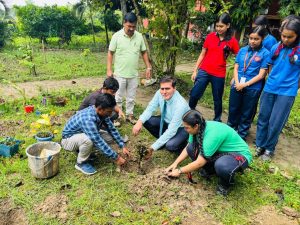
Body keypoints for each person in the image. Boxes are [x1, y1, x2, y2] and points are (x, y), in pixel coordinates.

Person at [166, 110, 252, 196]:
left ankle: (225, 184)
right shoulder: (197, 128)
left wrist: (179, 171)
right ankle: (210, 170)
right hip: (220, 152)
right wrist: (175, 163)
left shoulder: (213, 134)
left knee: (222, 165)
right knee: (192, 148)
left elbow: (200, 162)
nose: (185, 129)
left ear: (196, 126)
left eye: (187, 127)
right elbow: (188, 147)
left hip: (239, 155)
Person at [255, 17, 300, 161]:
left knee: (276, 122)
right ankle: (260, 145)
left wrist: (294, 85)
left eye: (290, 37)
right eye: (283, 36)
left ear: (297, 35)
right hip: (270, 88)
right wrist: (272, 79)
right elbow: (269, 65)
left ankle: (269, 148)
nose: (285, 39)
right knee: (263, 117)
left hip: (287, 92)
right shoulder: (276, 47)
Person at [61, 93, 130, 175]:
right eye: (109, 111)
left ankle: (84, 151)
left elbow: (112, 129)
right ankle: (81, 163)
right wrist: (117, 158)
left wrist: (122, 145)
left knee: (109, 138)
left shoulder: (102, 113)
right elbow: (98, 141)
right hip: (68, 140)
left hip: (81, 134)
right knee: (88, 140)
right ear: (100, 109)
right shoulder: (88, 119)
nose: (110, 114)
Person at [189, 13, 240, 122]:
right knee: (195, 93)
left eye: (221, 26)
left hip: (219, 74)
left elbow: (238, 58)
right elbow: (202, 54)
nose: (218, 28)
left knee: (217, 99)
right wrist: (195, 70)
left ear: (228, 25)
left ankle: (217, 119)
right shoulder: (210, 37)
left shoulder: (232, 41)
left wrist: (235, 75)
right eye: (217, 26)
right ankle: (190, 112)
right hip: (204, 71)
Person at [107, 12, 152, 125]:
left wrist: (148, 67)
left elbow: (144, 52)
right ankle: (117, 116)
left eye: (133, 26)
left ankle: (130, 115)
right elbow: (110, 53)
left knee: (131, 97)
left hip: (133, 74)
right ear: (124, 23)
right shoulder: (116, 36)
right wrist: (109, 69)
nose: (131, 29)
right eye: (129, 26)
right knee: (118, 96)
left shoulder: (139, 36)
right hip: (120, 73)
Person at [227, 26, 270, 140]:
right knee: (233, 109)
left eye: (256, 39)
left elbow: (261, 75)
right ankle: (230, 131)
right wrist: (236, 82)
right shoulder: (243, 50)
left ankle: (241, 135)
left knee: (247, 112)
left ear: (262, 39)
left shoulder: (265, 53)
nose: (252, 41)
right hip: (237, 84)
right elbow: (236, 68)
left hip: (252, 88)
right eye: (251, 38)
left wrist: (244, 85)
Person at [132, 76, 190, 158]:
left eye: (167, 89)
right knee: (146, 120)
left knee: (170, 145)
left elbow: (172, 130)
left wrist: (152, 148)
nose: (164, 92)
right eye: (162, 89)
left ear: (174, 88)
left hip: (181, 128)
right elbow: (150, 108)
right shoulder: (159, 93)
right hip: (166, 121)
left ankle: (182, 144)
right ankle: (162, 141)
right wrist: (139, 122)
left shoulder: (180, 105)